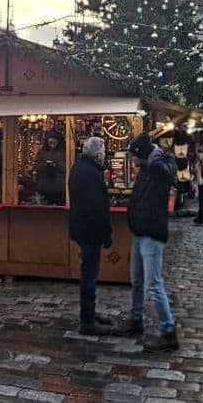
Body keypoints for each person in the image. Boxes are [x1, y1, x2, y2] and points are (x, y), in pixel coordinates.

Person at [118, 133, 179, 352]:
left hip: (152, 234)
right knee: (136, 280)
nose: (131, 160)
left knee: (154, 284)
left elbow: (166, 175)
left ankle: (168, 331)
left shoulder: (162, 164)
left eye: (134, 156)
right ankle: (136, 319)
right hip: (139, 231)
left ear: (142, 155)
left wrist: (152, 159)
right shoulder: (144, 169)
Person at [68, 136, 114, 335]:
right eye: (103, 151)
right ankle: (87, 319)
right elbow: (96, 208)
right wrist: (106, 233)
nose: (104, 155)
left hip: (80, 227)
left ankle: (90, 312)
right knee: (89, 274)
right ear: (97, 153)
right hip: (89, 230)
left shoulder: (78, 168)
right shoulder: (91, 175)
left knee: (89, 272)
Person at [35, 132, 67, 205]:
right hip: (44, 184)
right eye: (50, 141)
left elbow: (67, 167)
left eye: (54, 141)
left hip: (59, 186)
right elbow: (37, 166)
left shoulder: (65, 152)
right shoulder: (42, 152)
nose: (52, 142)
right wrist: (45, 165)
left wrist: (56, 165)